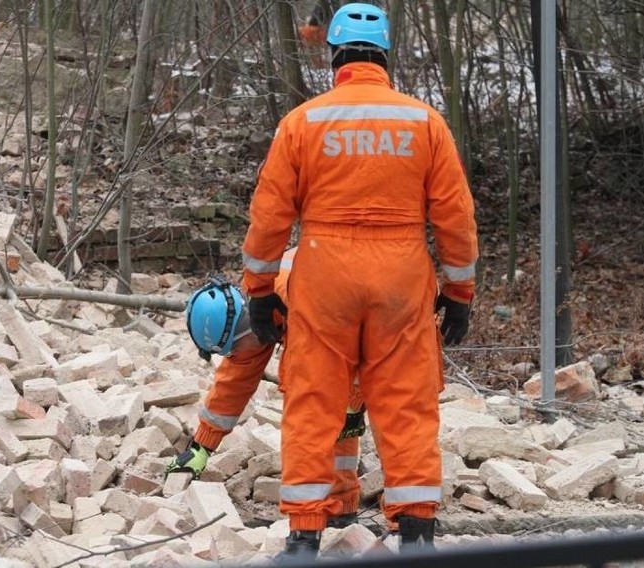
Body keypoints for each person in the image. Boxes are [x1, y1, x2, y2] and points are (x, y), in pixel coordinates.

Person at [241, 3, 479, 561]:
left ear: (335, 58)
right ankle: (417, 537)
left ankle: (303, 538)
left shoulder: (303, 122)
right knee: (407, 403)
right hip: (402, 273)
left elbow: (270, 216)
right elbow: (455, 218)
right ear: (385, 57)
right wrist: (459, 293)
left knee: (314, 400)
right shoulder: (425, 123)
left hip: (324, 271)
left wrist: (258, 291)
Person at [168, 248, 366, 530]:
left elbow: (356, 348)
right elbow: (234, 381)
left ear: (240, 332)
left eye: (231, 350)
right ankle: (340, 513)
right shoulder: (256, 310)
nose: (233, 357)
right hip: (353, 309)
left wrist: (353, 403)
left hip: (391, 315)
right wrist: (201, 447)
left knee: (324, 414)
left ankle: (410, 525)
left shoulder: (299, 302)